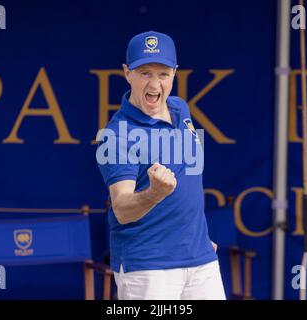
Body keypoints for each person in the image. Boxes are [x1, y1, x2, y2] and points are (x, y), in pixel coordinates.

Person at [96, 30, 226, 300]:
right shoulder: (115, 135)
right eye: (145, 73)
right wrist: (155, 192)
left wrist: (196, 239)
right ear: (127, 72)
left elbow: (188, 184)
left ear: (175, 73)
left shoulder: (180, 109)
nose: (155, 84)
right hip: (148, 267)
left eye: (163, 74)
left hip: (200, 260)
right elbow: (122, 210)